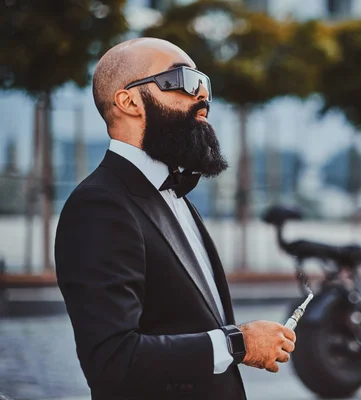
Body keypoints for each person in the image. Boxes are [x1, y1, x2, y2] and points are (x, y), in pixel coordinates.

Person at [54, 38, 296, 400]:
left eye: (204, 82)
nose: (203, 96)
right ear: (129, 101)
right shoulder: (99, 205)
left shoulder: (176, 196)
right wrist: (237, 344)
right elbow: (112, 361)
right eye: (182, 79)